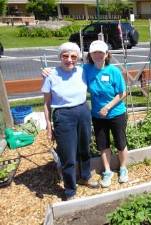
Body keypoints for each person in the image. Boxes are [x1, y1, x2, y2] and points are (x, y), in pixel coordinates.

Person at [41, 42, 98, 201]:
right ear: (60, 57)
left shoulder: (82, 71)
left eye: (73, 56)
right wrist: (48, 126)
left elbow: (99, 65)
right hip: (63, 115)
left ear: (78, 58)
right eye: (65, 56)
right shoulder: (51, 75)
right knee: (68, 155)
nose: (69, 60)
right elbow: (46, 103)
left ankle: (85, 176)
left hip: (82, 111)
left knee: (85, 149)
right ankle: (70, 190)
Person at [84, 40, 129, 188]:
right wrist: (50, 71)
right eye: (94, 52)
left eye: (101, 52)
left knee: (120, 143)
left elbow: (122, 93)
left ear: (106, 54)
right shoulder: (86, 69)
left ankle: (123, 169)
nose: (98, 55)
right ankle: (108, 172)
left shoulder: (113, 71)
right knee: (103, 145)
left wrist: (108, 107)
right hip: (98, 116)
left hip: (116, 113)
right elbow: (68, 70)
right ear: (90, 55)